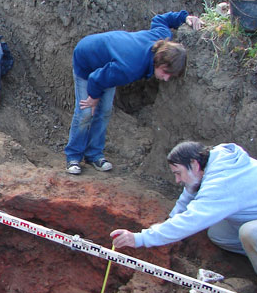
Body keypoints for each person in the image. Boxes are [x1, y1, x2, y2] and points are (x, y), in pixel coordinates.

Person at [110, 141, 257, 293]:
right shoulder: (211, 162)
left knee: (252, 233)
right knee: (218, 233)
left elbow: (191, 220)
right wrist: (170, 220)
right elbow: (189, 193)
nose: (177, 180)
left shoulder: (222, 183)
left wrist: (140, 238)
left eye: (178, 173)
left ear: (193, 164)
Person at [65, 10, 203, 175]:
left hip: (108, 62)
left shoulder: (161, 38)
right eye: (166, 73)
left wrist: (184, 17)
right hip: (86, 59)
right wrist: (93, 99)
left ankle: (94, 155)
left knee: (104, 111)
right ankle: (73, 156)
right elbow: (95, 78)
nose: (166, 79)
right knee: (86, 112)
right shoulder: (130, 68)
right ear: (159, 61)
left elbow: (160, 19)